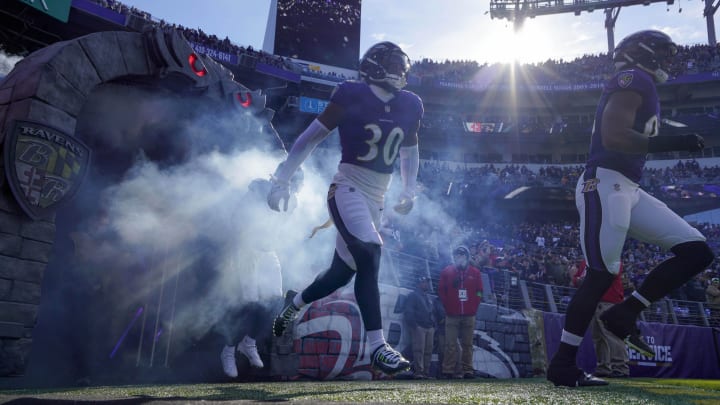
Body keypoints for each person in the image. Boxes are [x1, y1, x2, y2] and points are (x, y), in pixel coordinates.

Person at [547, 30, 714, 387]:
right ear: (644, 54)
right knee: (600, 275)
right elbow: (615, 136)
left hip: (628, 187)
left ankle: (626, 313)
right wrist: (673, 141)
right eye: (663, 54)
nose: (668, 62)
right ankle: (562, 365)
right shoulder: (633, 78)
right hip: (604, 181)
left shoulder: (641, 82)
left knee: (697, 251)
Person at [266, 41, 423, 375]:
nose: (400, 70)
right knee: (370, 250)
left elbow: (409, 151)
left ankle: (293, 306)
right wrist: (281, 178)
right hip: (347, 187)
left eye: (401, 64)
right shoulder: (351, 93)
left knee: (340, 274)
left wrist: (409, 189)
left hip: (377, 198)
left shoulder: (411, 104)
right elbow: (312, 136)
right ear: (375, 67)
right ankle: (378, 347)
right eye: (393, 64)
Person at [438, 246, 483, 379]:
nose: (460, 258)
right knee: (450, 344)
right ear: (454, 257)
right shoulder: (447, 272)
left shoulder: (475, 273)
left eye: (463, 256)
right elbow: (441, 291)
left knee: (467, 344)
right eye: (458, 256)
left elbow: (479, 291)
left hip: (469, 315)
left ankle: (467, 370)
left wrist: (474, 305)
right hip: (452, 314)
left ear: (467, 257)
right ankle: (448, 370)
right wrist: (448, 306)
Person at [590, 264, 629, 379]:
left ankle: (620, 367)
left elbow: (608, 274)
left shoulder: (609, 255)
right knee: (598, 337)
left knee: (612, 335)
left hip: (609, 301)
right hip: (594, 301)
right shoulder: (587, 260)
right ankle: (603, 368)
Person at [403, 276, 437, 379]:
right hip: (419, 327)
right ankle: (419, 372)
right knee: (419, 350)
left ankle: (425, 372)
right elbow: (408, 312)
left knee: (428, 351)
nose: (427, 284)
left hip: (429, 327)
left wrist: (433, 325)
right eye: (424, 282)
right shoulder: (413, 296)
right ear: (419, 283)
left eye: (427, 282)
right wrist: (415, 326)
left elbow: (432, 312)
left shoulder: (428, 297)